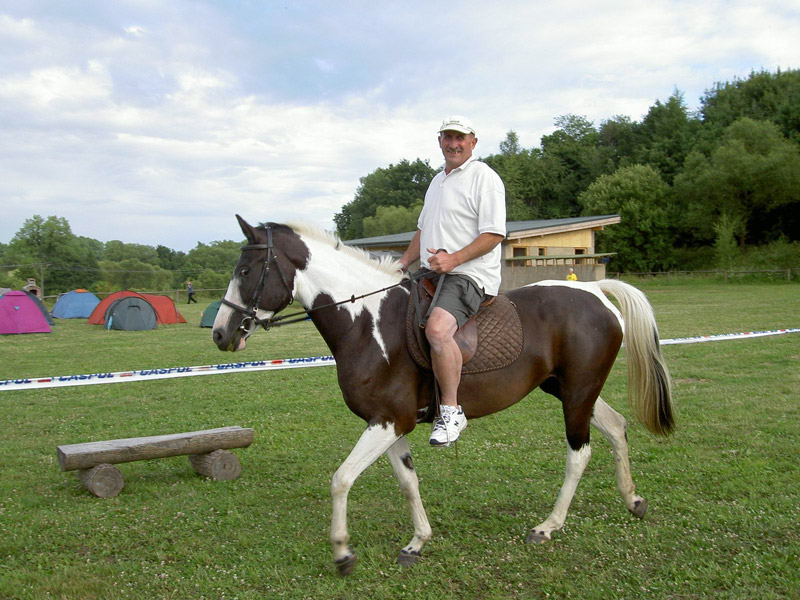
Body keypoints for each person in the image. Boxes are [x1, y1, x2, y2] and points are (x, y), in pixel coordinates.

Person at [399, 115, 506, 447]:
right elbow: (423, 229)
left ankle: (450, 411)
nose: (453, 144)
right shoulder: (436, 181)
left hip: (469, 274)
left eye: (460, 138)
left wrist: (454, 259)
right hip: (432, 271)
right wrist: (402, 263)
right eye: (448, 137)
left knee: (437, 330)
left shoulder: (484, 177)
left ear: (473, 142)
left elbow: (494, 234)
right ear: (440, 141)